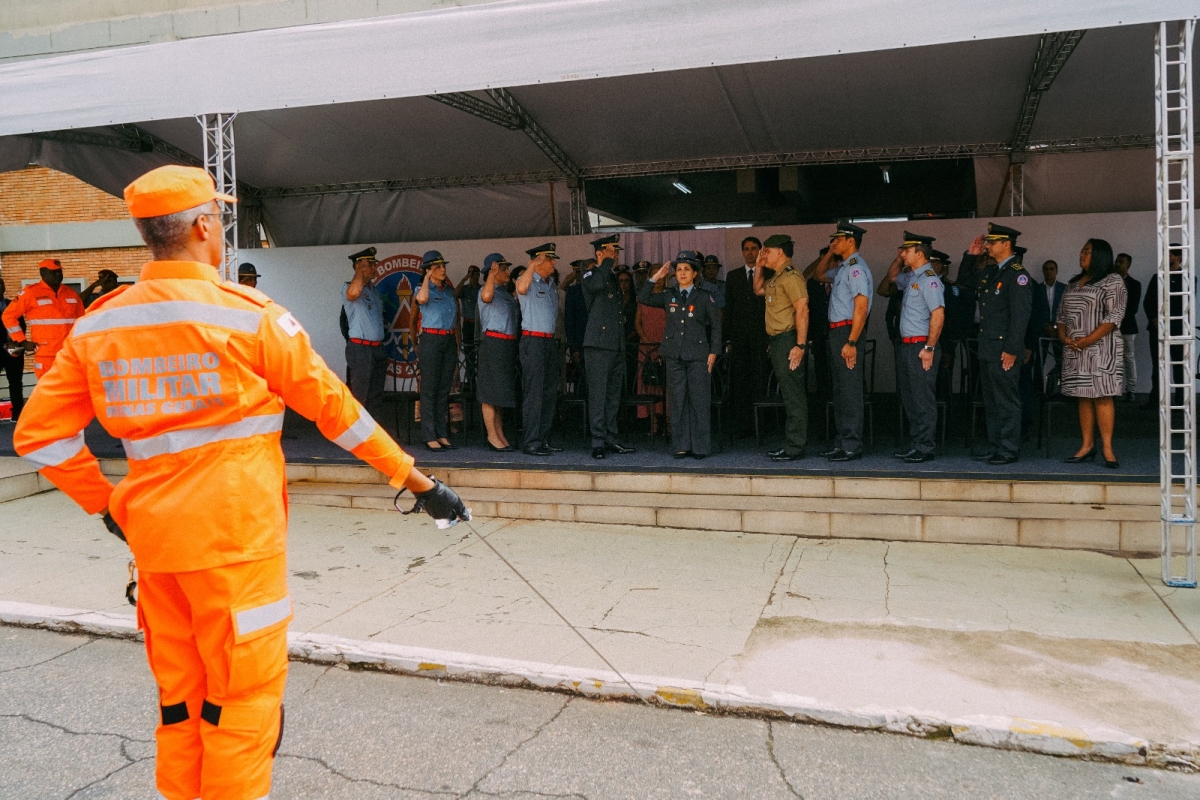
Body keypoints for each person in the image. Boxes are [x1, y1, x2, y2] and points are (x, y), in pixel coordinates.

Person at [12, 164, 464, 800]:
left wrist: (109, 506)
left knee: (180, 702)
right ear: (203, 227)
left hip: (157, 547)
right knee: (242, 706)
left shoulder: (99, 325)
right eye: (219, 220)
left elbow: (39, 435)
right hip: (237, 546)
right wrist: (418, 483)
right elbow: (339, 413)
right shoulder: (250, 317)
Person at [637, 252, 721, 459]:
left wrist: (714, 351)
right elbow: (643, 297)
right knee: (677, 400)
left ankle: (700, 447)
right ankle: (682, 445)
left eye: (687, 269)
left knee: (699, 400)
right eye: (679, 269)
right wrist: (656, 277)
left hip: (698, 355)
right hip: (674, 355)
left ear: (695, 273)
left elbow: (716, 326)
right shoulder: (669, 294)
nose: (682, 273)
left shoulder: (704, 296)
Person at [1059, 239, 1128, 468]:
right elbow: (1061, 315)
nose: (1082, 254)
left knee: (1102, 396)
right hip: (1075, 349)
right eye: (1082, 250)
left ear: (1100, 255)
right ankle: (1087, 445)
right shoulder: (1073, 283)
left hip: (1101, 350)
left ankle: (1107, 448)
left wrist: (1087, 340)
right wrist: (1063, 336)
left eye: (1087, 251)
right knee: (1083, 396)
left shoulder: (1112, 280)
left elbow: (1114, 317)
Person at [969, 223, 1033, 465]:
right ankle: (995, 445)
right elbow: (966, 282)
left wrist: (1012, 349)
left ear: (1006, 244)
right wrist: (971, 257)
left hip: (1003, 348)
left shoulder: (1017, 274)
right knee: (992, 401)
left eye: (992, 242)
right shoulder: (993, 271)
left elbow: (1020, 316)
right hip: (988, 347)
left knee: (1006, 400)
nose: (988, 246)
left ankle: (1008, 449)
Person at [812, 222, 872, 461]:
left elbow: (861, 307)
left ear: (851, 241)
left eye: (838, 239)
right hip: (837, 332)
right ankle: (842, 441)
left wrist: (852, 342)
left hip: (848, 331)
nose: (834, 242)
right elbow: (818, 275)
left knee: (850, 389)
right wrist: (829, 252)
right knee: (839, 389)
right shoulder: (843, 268)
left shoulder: (856, 269)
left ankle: (852, 445)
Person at [883, 232, 945, 463]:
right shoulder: (912, 277)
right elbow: (892, 277)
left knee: (922, 398)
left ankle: (925, 447)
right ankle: (916, 444)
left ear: (919, 254)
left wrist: (930, 347)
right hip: (907, 346)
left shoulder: (929, 279)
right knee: (910, 398)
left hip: (921, 346)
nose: (903, 254)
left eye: (907, 251)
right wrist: (899, 258)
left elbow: (938, 314)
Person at [754, 233, 809, 461]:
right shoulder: (777, 277)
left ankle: (795, 446)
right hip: (778, 341)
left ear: (780, 251)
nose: (763, 254)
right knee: (787, 394)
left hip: (789, 340)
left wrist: (800, 345)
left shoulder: (791, 276)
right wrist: (759, 266)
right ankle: (790, 443)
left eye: (766, 251)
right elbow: (758, 289)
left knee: (793, 395)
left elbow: (802, 310)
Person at [581, 234, 636, 460]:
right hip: (598, 345)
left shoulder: (610, 276)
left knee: (613, 395)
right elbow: (595, 285)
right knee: (598, 394)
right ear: (599, 253)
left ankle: (611, 438)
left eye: (616, 252)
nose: (616, 255)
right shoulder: (590, 274)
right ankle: (598, 441)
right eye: (611, 251)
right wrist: (605, 263)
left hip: (615, 345)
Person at [2, 257, 84, 379]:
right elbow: (8, 316)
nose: (58, 274)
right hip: (46, 355)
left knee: (72, 388)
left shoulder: (71, 293)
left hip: (70, 353)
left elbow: (82, 321)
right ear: (42, 273)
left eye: (60, 271)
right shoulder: (30, 293)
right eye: (53, 272)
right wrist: (22, 341)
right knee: (48, 389)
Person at [516, 242, 561, 456]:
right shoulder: (526, 280)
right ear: (538, 260)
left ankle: (543, 439)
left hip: (549, 341)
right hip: (533, 340)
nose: (553, 263)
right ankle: (531, 441)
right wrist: (532, 265)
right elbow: (521, 289)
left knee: (549, 392)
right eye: (549, 259)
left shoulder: (551, 283)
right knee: (534, 393)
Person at [725, 236, 772, 436]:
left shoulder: (770, 274)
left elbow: (773, 308)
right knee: (740, 381)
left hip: (761, 337)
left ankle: (761, 424)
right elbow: (729, 308)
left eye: (754, 248)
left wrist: (771, 337)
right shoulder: (733, 276)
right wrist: (728, 338)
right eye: (746, 248)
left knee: (760, 379)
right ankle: (743, 425)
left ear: (760, 251)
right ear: (742, 251)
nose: (750, 252)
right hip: (739, 338)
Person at [415, 250, 459, 451]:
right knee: (429, 389)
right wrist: (426, 278)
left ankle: (441, 433)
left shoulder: (448, 291)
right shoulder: (422, 289)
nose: (443, 270)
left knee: (443, 389)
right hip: (431, 339)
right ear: (429, 270)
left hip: (448, 339)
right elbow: (422, 299)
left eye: (443, 266)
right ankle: (428, 434)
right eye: (438, 267)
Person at [477, 253, 519, 452]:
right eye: (503, 269)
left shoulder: (504, 292)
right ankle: (491, 436)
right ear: (492, 271)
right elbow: (486, 297)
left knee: (500, 394)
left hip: (507, 344)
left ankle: (499, 433)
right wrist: (492, 277)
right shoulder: (487, 289)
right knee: (490, 393)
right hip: (493, 343)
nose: (508, 272)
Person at [342, 247, 387, 415]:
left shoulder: (374, 290)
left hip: (377, 349)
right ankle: (357, 431)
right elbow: (353, 294)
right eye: (370, 264)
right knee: (360, 396)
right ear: (359, 266)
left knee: (375, 397)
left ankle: (372, 430)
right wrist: (359, 272)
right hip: (360, 349)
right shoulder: (348, 287)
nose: (375, 268)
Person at [1143, 246, 1186, 407]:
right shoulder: (1157, 277)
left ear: (1178, 257)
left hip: (1178, 330)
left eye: (1168, 255)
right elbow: (1148, 301)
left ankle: (1181, 401)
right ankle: (1156, 400)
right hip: (1157, 329)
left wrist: (1170, 321)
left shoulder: (1187, 278)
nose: (1164, 258)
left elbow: (1186, 305)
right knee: (1158, 365)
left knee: (1179, 365)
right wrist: (1154, 319)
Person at [1115, 253, 1142, 401]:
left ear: (1128, 265)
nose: (1118, 264)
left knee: (1128, 358)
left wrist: (1116, 317)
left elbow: (1133, 308)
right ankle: (1114, 388)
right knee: (1113, 359)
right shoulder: (1108, 282)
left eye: (1121, 262)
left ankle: (1131, 389)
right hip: (1110, 327)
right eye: (1117, 261)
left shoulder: (1135, 284)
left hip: (1127, 326)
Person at [0, 278, 25, 420]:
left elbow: (22, 325)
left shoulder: (13, 305)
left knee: (16, 382)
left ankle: (18, 414)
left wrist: (18, 342)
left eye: (1, 284)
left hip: (14, 348)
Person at [456, 264, 481, 347]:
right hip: (468, 324)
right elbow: (454, 295)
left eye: (477, 274)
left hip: (480, 324)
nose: (475, 277)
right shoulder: (464, 289)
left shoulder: (482, 289)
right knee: (468, 348)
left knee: (480, 348)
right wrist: (464, 279)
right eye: (472, 275)